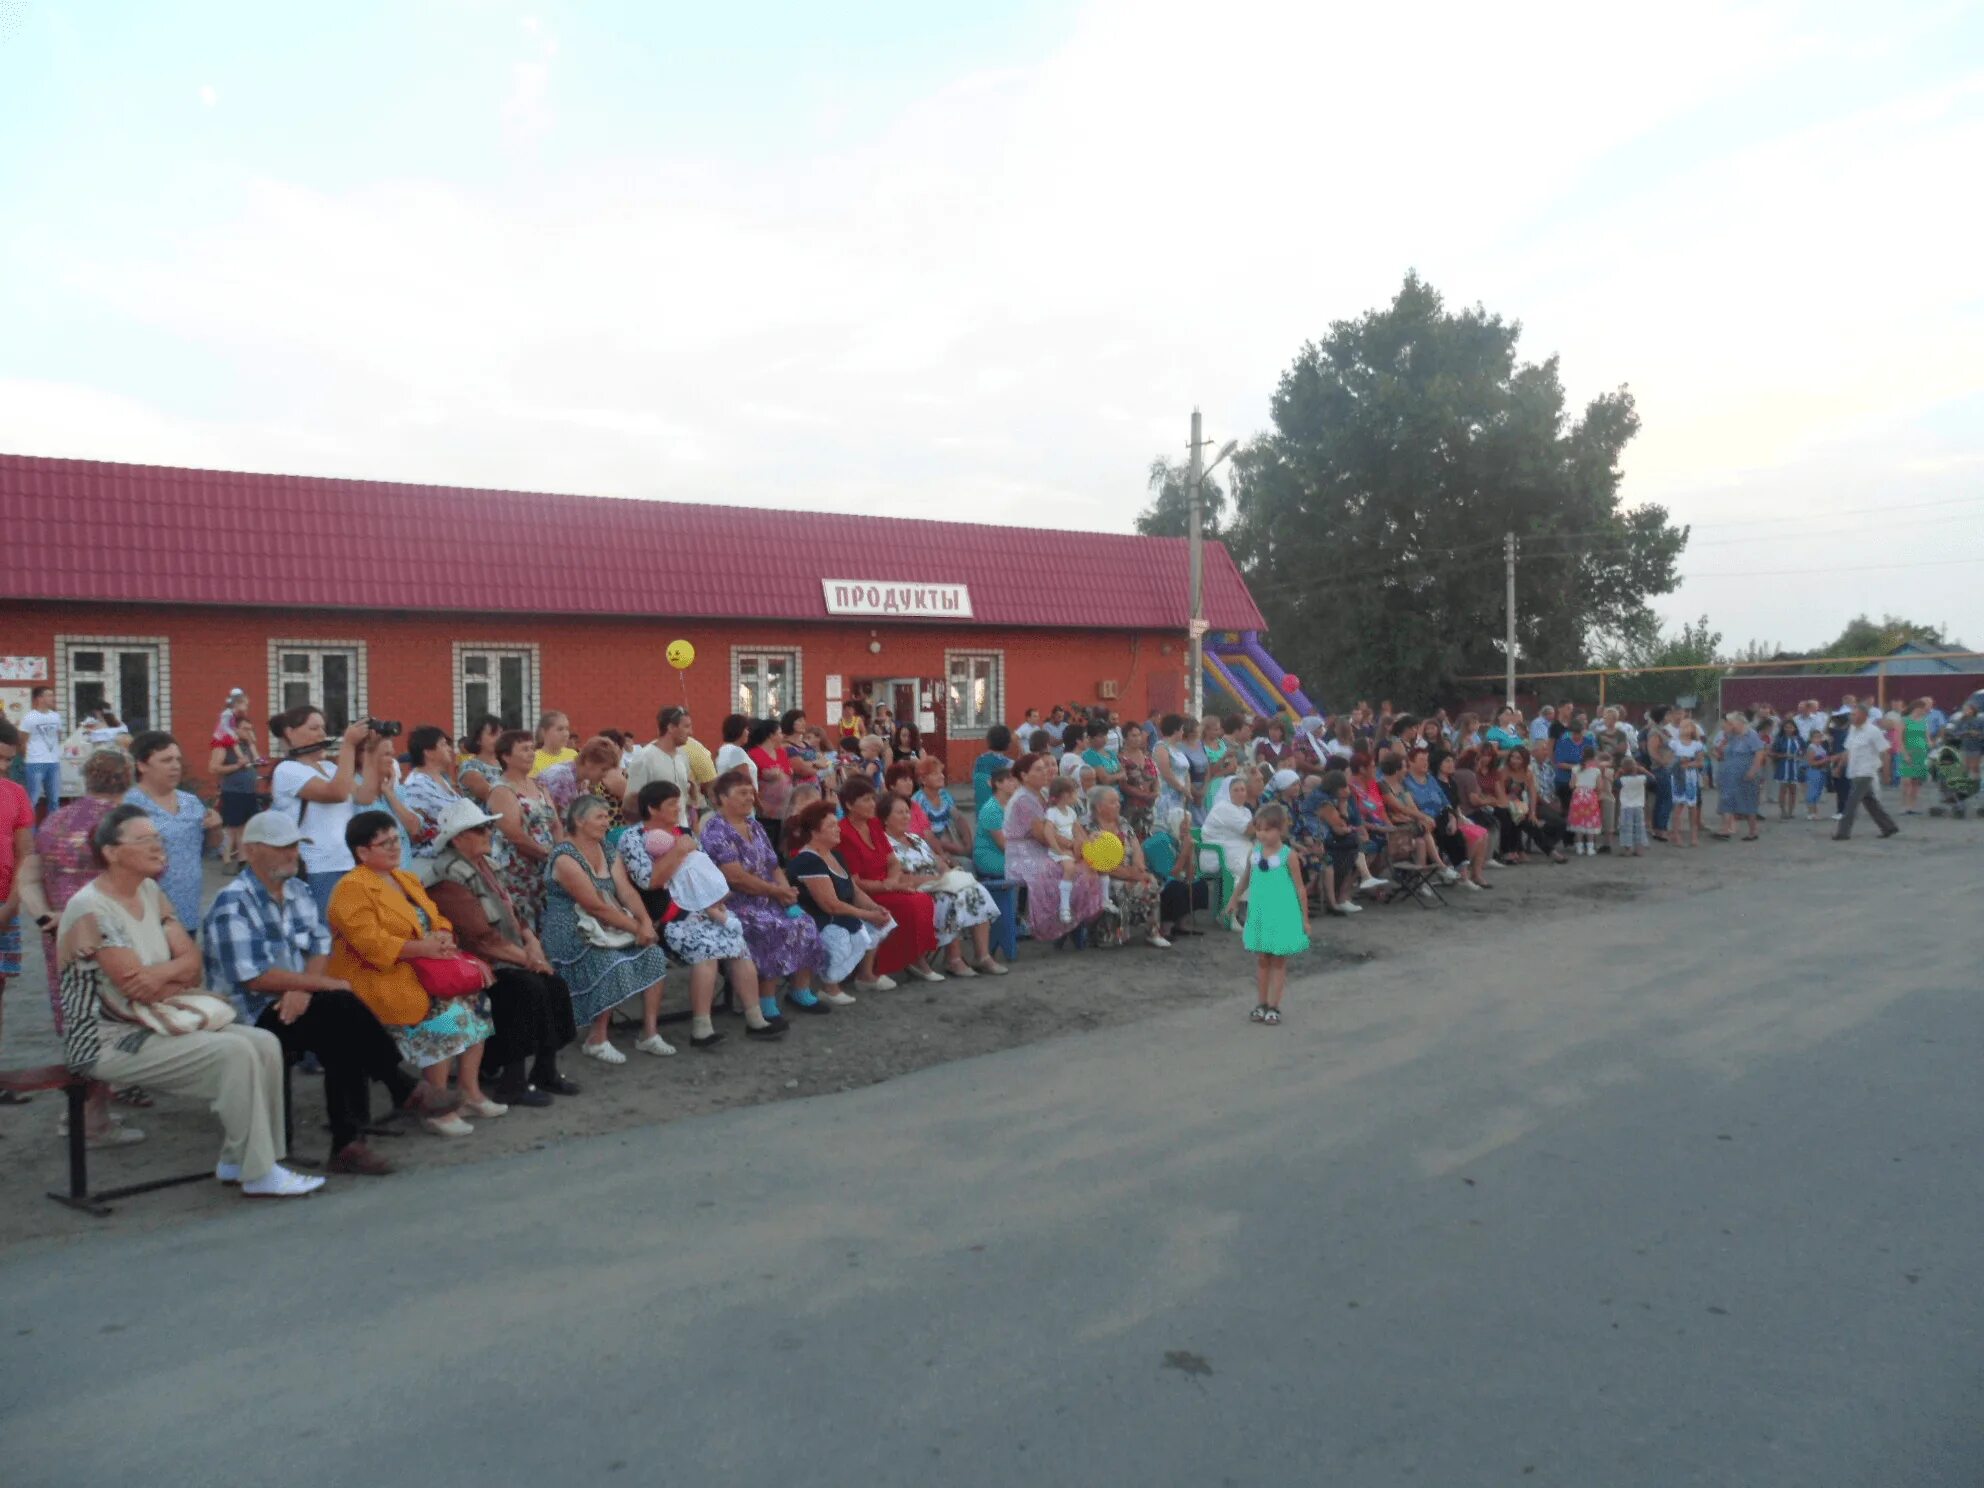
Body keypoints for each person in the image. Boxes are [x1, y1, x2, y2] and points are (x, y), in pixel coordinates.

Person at [55, 804, 323, 1196]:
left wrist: (162, 976)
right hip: (109, 1037)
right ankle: (258, 1170)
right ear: (111, 852)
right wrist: (170, 974)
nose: (157, 847)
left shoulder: (149, 890)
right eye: (144, 839)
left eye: (157, 838)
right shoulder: (91, 908)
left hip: (161, 1016)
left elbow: (192, 965)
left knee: (264, 1042)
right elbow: (134, 986)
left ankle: (242, 1159)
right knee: (233, 1053)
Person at [203, 811, 454, 1174]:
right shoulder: (233, 902)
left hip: (297, 1001)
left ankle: (357, 1135)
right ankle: (389, 1099)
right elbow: (252, 978)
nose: (292, 854)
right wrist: (314, 985)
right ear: (251, 850)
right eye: (282, 847)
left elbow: (319, 948)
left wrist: (305, 988)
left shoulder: (298, 890)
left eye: (295, 846)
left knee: (340, 1021)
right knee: (340, 1007)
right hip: (251, 1012)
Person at [327, 811, 500, 1134]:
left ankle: (468, 1092)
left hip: (424, 968)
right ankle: (436, 1107)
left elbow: (437, 916)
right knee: (444, 1015)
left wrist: (444, 936)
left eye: (396, 839)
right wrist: (423, 948)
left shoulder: (404, 878)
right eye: (385, 843)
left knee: (477, 1002)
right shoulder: (351, 888)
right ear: (362, 852)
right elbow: (372, 945)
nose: (394, 847)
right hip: (381, 978)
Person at [421, 798, 583, 1098]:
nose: (489, 832)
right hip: (476, 963)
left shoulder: (483, 865)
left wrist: (531, 943)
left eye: (489, 826)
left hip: (506, 956)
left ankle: (545, 1070)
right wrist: (528, 960)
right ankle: (513, 1082)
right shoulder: (448, 877)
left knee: (554, 984)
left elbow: (513, 912)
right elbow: (478, 938)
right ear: (459, 838)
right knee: (525, 988)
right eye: (481, 828)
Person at [16, 749, 135, 1138]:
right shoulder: (122, 823)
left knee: (74, 1018)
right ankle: (93, 1116)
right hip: (108, 935)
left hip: (61, 936)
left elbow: (29, 874)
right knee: (107, 1021)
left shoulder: (55, 819)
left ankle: (78, 1113)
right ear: (128, 778)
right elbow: (149, 873)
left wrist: (44, 916)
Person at [625, 781, 775, 1040]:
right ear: (651, 808)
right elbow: (649, 881)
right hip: (669, 915)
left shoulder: (684, 832)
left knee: (738, 945)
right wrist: (679, 851)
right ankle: (702, 1027)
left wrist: (716, 895)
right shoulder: (634, 838)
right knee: (706, 952)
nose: (678, 807)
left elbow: (702, 868)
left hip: (704, 906)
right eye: (671, 804)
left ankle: (755, 1017)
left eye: (677, 802)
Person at [544, 795, 672, 1061]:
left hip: (610, 925)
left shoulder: (605, 848)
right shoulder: (565, 857)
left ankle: (649, 1033)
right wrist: (637, 929)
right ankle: (596, 1038)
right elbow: (594, 906)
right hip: (572, 929)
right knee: (612, 963)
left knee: (654, 956)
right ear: (579, 821)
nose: (606, 823)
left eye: (606, 817)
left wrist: (645, 922)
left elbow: (625, 891)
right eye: (599, 817)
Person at [699, 769, 826, 1018]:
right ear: (722, 798)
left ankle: (800, 990)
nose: (749, 798)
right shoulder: (716, 830)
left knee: (805, 922)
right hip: (734, 902)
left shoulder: (753, 825)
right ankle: (765, 999)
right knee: (771, 927)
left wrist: (785, 891)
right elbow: (735, 877)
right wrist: (777, 891)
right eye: (742, 793)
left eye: (750, 792)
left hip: (768, 894)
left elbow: (772, 864)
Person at [876, 791, 1005, 976]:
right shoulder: (884, 844)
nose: (906, 816)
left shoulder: (915, 839)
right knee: (950, 897)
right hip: (914, 890)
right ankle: (953, 959)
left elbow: (938, 861)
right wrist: (936, 880)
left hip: (938, 883)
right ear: (885, 818)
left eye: (907, 811)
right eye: (899, 812)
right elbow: (901, 879)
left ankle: (982, 956)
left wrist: (946, 873)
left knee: (976, 890)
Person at [837, 778, 944, 984]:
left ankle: (916, 958)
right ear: (850, 805)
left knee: (922, 900)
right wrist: (889, 885)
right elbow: (855, 881)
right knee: (910, 903)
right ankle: (886, 965)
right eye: (866, 800)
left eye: (873, 799)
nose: (872, 805)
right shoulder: (845, 833)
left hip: (888, 885)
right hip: (865, 892)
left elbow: (893, 862)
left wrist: (893, 882)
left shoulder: (874, 825)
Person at [785, 801, 896, 999]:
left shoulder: (835, 854)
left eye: (837, 824)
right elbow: (830, 905)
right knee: (844, 934)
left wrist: (875, 908)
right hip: (817, 919)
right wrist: (867, 914)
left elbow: (854, 890)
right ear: (815, 832)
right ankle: (829, 987)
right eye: (831, 826)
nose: (838, 829)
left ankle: (865, 975)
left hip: (836, 914)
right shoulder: (808, 860)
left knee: (882, 920)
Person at [270, 706, 373, 906]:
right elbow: (337, 793)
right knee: (324, 932)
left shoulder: (329, 768)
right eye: (314, 728)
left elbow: (365, 796)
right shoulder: (287, 770)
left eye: (323, 728)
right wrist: (348, 745)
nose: (322, 734)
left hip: (347, 861)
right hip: (316, 867)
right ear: (290, 733)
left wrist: (370, 750)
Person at [123, 730, 220, 933]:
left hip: (188, 911)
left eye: (178, 759)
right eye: (166, 760)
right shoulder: (129, 805)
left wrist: (215, 828)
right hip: (145, 914)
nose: (176, 766)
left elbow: (209, 850)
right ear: (141, 765)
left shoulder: (191, 802)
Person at [1002, 753, 1105, 943]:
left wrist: (1083, 842)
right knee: (1070, 869)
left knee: (1084, 865)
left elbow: (1067, 824)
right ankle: (1061, 920)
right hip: (1024, 854)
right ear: (1024, 776)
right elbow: (1043, 835)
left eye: (1046, 767)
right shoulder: (1024, 800)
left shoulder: (1041, 794)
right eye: (1038, 769)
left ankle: (1072, 919)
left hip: (1045, 848)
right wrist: (1072, 846)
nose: (1045, 772)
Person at [1233, 803, 1309, 1026]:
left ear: (1280, 829)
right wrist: (1234, 899)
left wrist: (1304, 917)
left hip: (1282, 914)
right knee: (1262, 959)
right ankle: (1261, 1002)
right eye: (1259, 829)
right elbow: (1246, 878)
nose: (1262, 834)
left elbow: (1299, 888)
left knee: (1278, 960)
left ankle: (1274, 1005)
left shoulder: (1288, 856)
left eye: (1268, 829)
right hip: (1260, 913)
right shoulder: (1254, 853)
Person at [486, 728, 559, 933]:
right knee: (523, 926)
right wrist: (549, 855)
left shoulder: (540, 786)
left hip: (546, 869)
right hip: (517, 870)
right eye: (524, 749)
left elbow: (555, 824)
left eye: (532, 748)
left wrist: (561, 854)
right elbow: (514, 835)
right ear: (506, 756)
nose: (531, 753)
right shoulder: (501, 790)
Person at [1086, 786, 1171, 949]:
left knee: (1150, 883)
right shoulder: (1091, 827)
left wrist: (1140, 869)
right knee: (1119, 888)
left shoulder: (1122, 822)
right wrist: (1130, 875)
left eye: (1118, 801)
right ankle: (1114, 932)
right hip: (1104, 875)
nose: (1118, 805)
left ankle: (1152, 932)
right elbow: (1099, 863)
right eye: (1112, 802)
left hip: (1130, 872)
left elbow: (1136, 846)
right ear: (1099, 807)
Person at [0, 720, 33, 1079]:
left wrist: (12, 903)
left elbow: (25, 852)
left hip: (4, 907)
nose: (2, 767)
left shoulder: (14, 793)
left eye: (8, 760)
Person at [209, 692, 263, 866]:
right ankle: (233, 861)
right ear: (235, 729)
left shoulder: (247, 746)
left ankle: (241, 860)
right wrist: (237, 766)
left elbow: (253, 763)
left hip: (249, 791)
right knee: (235, 827)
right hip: (233, 792)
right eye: (245, 729)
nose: (249, 732)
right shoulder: (225, 745)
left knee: (246, 827)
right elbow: (213, 768)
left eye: (250, 729)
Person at [537, 735, 629, 834]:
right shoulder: (562, 776)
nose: (606, 774)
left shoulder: (582, 782)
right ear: (589, 762)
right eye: (604, 769)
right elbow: (553, 822)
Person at [1834, 706, 1900, 841]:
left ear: (1864, 715)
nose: (1851, 717)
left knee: (1851, 802)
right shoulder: (1852, 729)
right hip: (1854, 770)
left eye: (1854, 714)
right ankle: (1888, 826)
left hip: (1866, 771)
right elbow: (1848, 750)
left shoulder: (1873, 731)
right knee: (1870, 801)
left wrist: (1886, 774)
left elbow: (1885, 752)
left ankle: (1843, 832)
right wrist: (1839, 767)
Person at [398, 725, 464, 856]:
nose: (450, 749)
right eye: (443, 744)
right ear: (428, 752)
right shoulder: (417, 784)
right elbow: (413, 831)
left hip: (451, 855)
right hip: (430, 861)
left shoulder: (440, 779)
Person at [625, 707, 697, 824]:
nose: (691, 732)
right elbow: (631, 804)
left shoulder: (683, 756)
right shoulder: (644, 758)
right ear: (671, 727)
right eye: (686, 726)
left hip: (682, 831)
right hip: (656, 836)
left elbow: (686, 798)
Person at [1711, 712, 1766, 842]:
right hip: (1729, 773)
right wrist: (1724, 739)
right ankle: (1725, 829)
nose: (1728, 725)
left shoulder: (1751, 735)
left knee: (1748, 801)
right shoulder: (1730, 737)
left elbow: (1759, 754)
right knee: (1726, 799)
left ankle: (1753, 831)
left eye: (1730, 723)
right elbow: (1719, 751)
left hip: (1745, 773)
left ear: (1739, 723)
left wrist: (1753, 770)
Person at [22, 685, 64, 822]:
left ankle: (52, 831)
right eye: (49, 695)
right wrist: (27, 757)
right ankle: (30, 833)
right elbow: (22, 740)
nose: (53, 698)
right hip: (35, 762)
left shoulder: (56, 716)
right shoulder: (29, 717)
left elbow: (58, 735)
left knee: (54, 800)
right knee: (32, 800)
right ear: (39, 698)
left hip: (53, 762)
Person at [914, 757, 967, 858]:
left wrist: (968, 843)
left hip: (950, 840)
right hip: (930, 849)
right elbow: (924, 836)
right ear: (923, 780)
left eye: (941, 773)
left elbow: (959, 819)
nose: (941, 776)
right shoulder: (918, 801)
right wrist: (956, 849)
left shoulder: (945, 795)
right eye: (935, 774)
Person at [973, 767, 1017, 879]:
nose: (1015, 783)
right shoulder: (991, 809)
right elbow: (1004, 845)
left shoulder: (1012, 805)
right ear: (998, 784)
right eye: (1010, 780)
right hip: (990, 859)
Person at [1669, 721, 1707, 848]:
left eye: (1688, 726)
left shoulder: (1697, 745)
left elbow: (1701, 762)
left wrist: (1689, 764)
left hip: (1691, 777)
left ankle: (1694, 836)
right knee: (1678, 806)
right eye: (1682, 726)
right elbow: (1669, 760)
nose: (1684, 728)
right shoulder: (1674, 743)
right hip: (1678, 777)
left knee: (1692, 807)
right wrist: (1680, 762)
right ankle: (1676, 835)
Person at [455, 715, 505, 804]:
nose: (499, 738)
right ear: (478, 739)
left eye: (500, 733)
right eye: (493, 734)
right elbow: (491, 795)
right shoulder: (470, 766)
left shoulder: (506, 764)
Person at [1566, 745, 1604, 856]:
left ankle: (1579, 847)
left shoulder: (1575, 768)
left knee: (1579, 822)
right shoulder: (1596, 770)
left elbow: (1571, 785)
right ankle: (1590, 848)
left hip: (1578, 796)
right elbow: (1600, 786)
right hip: (1591, 796)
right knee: (1590, 822)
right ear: (1594, 757)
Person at [971, 724, 1015, 815]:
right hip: (1000, 810)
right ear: (1007, 742)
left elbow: (976, 783)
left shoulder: (979, 760)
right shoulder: (1009, 764)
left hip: (981, 808)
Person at [1614, 752, 1651, 856]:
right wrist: (1644, 771)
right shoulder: (1642, 779)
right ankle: (1639, 849)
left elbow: (1614, 783)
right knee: (1639, 828)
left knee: (1626, 828)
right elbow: (1653, 779)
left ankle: (1628, 849)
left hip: (1626, 807)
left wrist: (1618, 773)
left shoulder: (1622, 780)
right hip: (1639, 807)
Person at [1897, 701, 1931, 814]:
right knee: (1906, 780)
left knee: (1915, 781)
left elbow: (1927, 738)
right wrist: (1904, 753)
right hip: (1908, 751)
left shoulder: (1924, 721)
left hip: (1920, 753)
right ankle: (1903, 804)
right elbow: (1899, 739)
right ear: (1917, 708)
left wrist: (1930, 745)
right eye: (1924, 709)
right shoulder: (1905, 720)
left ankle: (1911, 806)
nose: (1925, 711)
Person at [1769, 717, 1804, 821]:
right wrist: (1783, 755)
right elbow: (1772, 753)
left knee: (1793, 790)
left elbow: (1804, 750)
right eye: (1786, 727)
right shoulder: (1780, 739)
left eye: (1791, 727)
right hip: (1783, 766)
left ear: (1794, 728)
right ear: (1783, 728)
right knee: (1783, 789)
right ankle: (1783, 811)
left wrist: (1800, 755)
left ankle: (1791, 811)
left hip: (1795, 766)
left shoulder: (1799, 739)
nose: (1788, 729)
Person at [530, 710, 577, 777]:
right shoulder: (532, 760)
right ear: (543, 732)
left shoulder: (573, 755)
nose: (565, 734)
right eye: (560, 729)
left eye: (567, 729)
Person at [714, 714, 754, 783]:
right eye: (746, 729)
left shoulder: (722, 749)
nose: (748, 732)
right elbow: (744, 781)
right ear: (739, 730)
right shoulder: (736, 752)